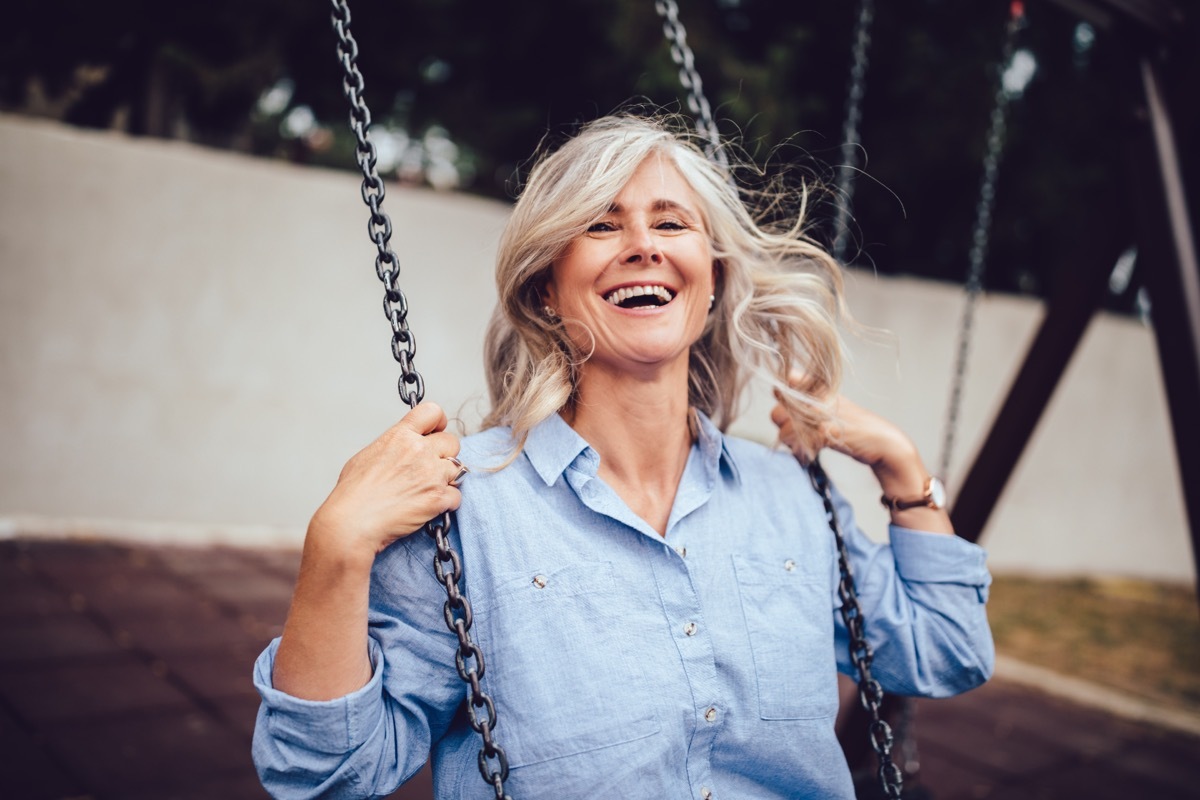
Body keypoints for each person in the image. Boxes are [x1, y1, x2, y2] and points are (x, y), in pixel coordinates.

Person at [251, 114, 993, 799]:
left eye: (672, 222)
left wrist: (901, 469)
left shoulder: (789, 495)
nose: (644, 244)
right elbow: (323, 776)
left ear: (712, 282)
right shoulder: (465, 509)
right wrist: (336, 548)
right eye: (602, 226)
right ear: (547, 289)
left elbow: (946, 650)